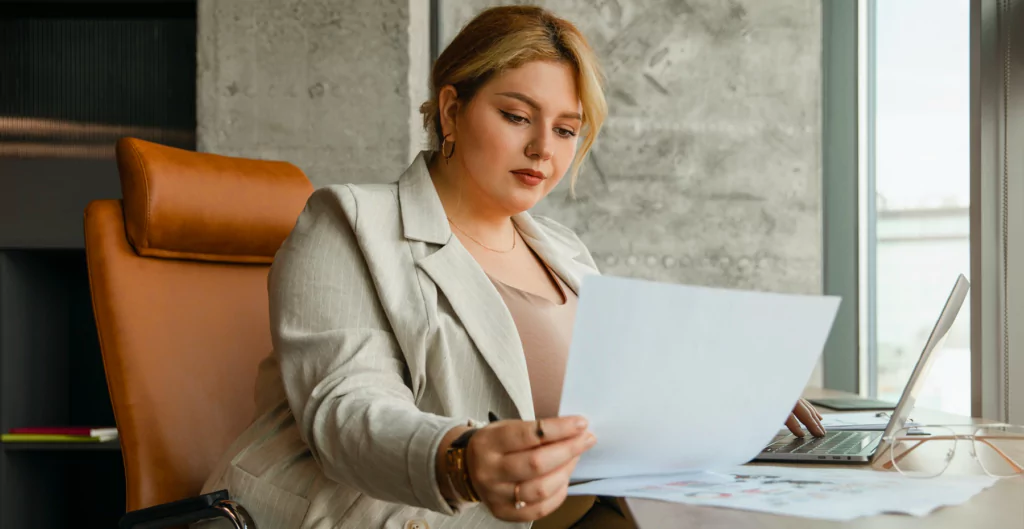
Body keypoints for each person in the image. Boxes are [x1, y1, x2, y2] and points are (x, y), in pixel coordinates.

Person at [198, 5, 827, 529]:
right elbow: (347, 412)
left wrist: (730, 402)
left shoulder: (565, 252)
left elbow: (613, 401)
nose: (541, 150)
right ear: (450, 110)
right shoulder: (348, 223)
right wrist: (461, 458)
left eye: (565, 130)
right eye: (517, 116)